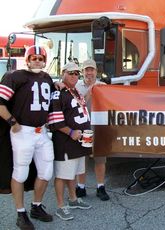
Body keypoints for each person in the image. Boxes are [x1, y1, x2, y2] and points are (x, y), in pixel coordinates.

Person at [0, 45, 54, 230]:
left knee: (46, 172)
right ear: (28, 59)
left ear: (44, 60)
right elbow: (0, 104)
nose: (37, 60)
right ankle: (20, 213)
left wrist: (61, 84)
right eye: (34, 57)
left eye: (40, 58)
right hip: (23, 132)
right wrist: (12, 122)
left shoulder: (47, 78)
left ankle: (36, 207)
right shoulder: (15, 76)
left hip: (42, 132)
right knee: (20, 172)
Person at [48, 62, 92, 221]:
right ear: (63, 73)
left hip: (79, 141)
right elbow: (55, 120)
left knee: (72, 172)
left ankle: (73, 199)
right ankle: (60, 206)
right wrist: (71, 131)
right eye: (71, 73)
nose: (74, 76)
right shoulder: (57, 92)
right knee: (61, 175)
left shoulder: (74, 91)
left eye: (76, 74)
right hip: (65, 141)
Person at [75, 59, 110, 201]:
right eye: (86, 70)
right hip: (84, 129)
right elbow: (75, 106)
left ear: (96, 71)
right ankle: (81, 187)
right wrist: (90, 92)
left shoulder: (104, 86)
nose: (89, 73)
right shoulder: (76, 86)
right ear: (82, 72)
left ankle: (100, 187)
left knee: (100, 159)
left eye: (92, 70)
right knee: (82, 159)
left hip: (99, 129)